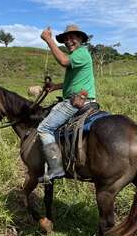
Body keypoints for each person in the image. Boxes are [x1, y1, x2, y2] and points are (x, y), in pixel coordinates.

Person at [37, 24, 96, 183]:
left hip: (77, 101)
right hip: (84, 98)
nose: (69, 41)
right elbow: (74, 82)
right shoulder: (79, 56)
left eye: (72, 38)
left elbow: (63, 60)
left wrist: (49, 40)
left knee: (44, 128)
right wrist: (56, 87)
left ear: (81, 39)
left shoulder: (80, 53)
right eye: (66, 39)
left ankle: (56, 168)